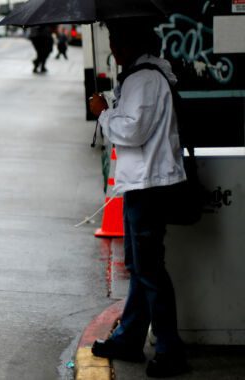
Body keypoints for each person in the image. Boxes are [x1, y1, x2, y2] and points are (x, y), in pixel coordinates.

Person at [88, 19, 190, 379]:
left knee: (149, 271)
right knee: (141, 267)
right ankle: (129, 338)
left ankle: (169, 349)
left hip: (149, 185)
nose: (113, 48)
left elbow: (132, 131)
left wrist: (103, 112)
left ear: (133, 43)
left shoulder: (143, 79)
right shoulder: (140, 76)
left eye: (117, 41)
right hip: (142, 184)